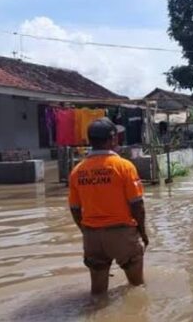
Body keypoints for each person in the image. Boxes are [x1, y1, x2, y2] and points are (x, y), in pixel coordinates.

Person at [68, 117, 148, 295]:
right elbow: (137, 205)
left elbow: (74, 208)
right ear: (112, 139)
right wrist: (142, 232)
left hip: (92, 236)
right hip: (122, 234)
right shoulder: (124, 167)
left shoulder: (77, 171)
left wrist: (86, 231)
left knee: (97, 293)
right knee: (137, 288)